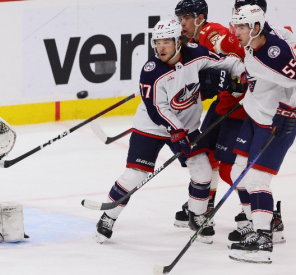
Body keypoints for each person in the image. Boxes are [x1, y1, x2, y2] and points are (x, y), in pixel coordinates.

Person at [93, 19, 245, 245]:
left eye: (166, 42)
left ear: (178, 42)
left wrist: (242, 75)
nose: (161, 47)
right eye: (157, 42)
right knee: (135, 174)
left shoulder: (196, 54)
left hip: (187, 126)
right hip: (151, 127)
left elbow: (227, 62)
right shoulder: (151, 71)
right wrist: (176, 132)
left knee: (202, 170)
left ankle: (197, 215)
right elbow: (157, 109)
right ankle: (108, 217)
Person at [228, 5, 296, 264]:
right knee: (238, 172)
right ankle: (264, 222)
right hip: (255, 115)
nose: (237, 32)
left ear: (256, 27)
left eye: (242, 27)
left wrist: (291, 110)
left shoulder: (273, 53)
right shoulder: (255, 40)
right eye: (236, 26)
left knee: (257, 180)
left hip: (276, 123)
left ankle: (262, 239)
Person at [173, 0, 247, 237]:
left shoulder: (211, 32)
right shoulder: (192, 39)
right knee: (205, 154)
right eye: (180, 18)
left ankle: (262, 214)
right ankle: (205, 205)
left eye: (186, 18)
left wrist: (229, 79)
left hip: (238, 107)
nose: (182, 23)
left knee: (228, 168)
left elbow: (233, 59)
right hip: (223, 104)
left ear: (200, 18)